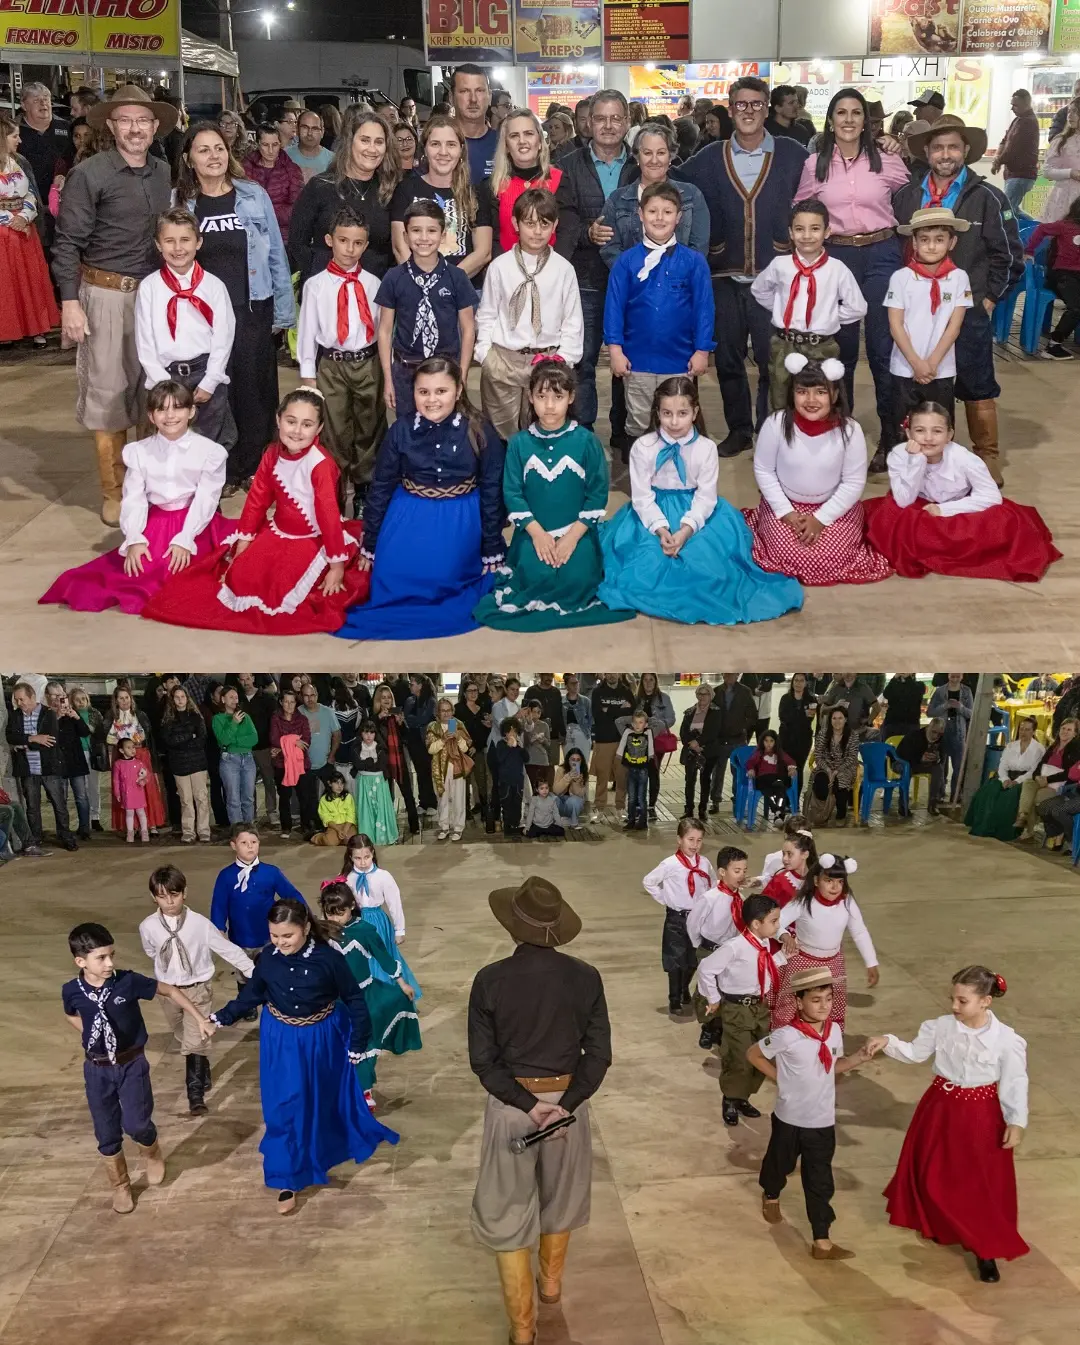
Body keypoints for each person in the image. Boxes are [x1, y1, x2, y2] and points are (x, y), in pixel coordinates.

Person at [468, 876, 610, 1344]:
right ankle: (550, 1286)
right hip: (568, 1109)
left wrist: (530, 1105)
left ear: (513, 926)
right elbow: (599, 1055)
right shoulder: (586, 977)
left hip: (513, 1108)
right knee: (560, 1199)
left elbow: (483, 1062)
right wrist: (564, 1106)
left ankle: (523, 1330)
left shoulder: (490, 980)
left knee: (508, 1213)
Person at [209, 897, 397, 1214]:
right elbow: (252, 994)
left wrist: (357, 1043)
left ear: (306, 928)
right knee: (284, 1105)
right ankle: (288, 1176)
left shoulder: (329, 959)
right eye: (274, 936)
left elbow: (355, 1000)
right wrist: (221, 1017)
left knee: (319, 1100)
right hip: (280, 1039)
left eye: (288, 936)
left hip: (322, 1037)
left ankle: (320, 1150)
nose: (280, 943)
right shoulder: (268, 959)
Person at [143, 389, 368, 634]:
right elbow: (257, 499)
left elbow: (328, 516)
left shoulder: (320, 465)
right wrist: (244, 541)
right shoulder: (272, 453)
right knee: (241, 577)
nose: (297, 431)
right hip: (278, 531)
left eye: (307, 425)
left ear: (319, 428)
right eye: (291, 421)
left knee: (278, 590)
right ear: (278, 420)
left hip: (313, 536)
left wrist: (336, 566)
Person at [53, 86, 174, 525]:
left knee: (153, 388)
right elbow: (67, 243)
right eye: (125, 120)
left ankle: (151, 483)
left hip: (156, 295)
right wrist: (70, 302)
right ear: (111, 126)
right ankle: (115, 492)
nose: (135, 128)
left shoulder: (163, 172)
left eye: (142, 120)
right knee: (108, 392)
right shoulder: (89, 174)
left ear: (154, 126)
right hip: (106, 294)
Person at [672, 75, 808, 458]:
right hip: (724, 274)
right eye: (741, 105)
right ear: (730, 110)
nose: (749, 111)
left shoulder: (792, 153)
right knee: (729, 357)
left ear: (767, 108)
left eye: (756, 104)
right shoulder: (708, 157)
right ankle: (739, 430)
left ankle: (769, 429)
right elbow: (672, 178)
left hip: (774, 274)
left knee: (771, 359)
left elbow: (824, 176)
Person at [867, 965, 1028, 1283]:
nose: (954, 1006)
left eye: (962, 1001)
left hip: (981, 1114)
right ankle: (942, 1225)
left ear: (985, 1001)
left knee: (980, 1182)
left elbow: (1015, 1082)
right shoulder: (940, 1027)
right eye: (953, 998)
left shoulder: (1006, 1040)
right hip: (939, 1108)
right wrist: (888, 1041)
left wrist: (1016, 1121)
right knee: (934, 1174)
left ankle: (985, 1250)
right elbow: (915, 1053)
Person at [893, 117, 1024, 485]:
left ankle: (986, 454)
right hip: (917, 313)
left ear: (966, 150)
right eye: (938, 148)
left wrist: (990, 298)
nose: (945, 154)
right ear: (927, 152)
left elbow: (1009, 254)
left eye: (953, 147)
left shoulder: (988, 197)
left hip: (967, 310)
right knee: (919, 382)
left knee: (976, 381)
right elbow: (896, 245)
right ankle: (918, 454)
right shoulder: (906, 195)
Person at [339, 356, 504, 639]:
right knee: (390, 577)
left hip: (459, 515)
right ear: (413, 392)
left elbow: (492, 490)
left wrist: (491, 544)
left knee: (440, 576)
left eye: (441, 391)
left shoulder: (479, 430)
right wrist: (371, 541)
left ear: (458, 391)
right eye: (423, 392)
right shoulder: (400, 430)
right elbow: (381, 486)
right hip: (408, 511)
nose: (432, 400)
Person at [40, 381, 230, 615]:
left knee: (177, 572)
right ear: (151, 416)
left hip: (196, 523)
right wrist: (134, 538)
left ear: (191, 411)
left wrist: (185, 538)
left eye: (178, 408)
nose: (170, 416)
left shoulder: (209, 452)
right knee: (143, 570)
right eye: (161, 409)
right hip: (158, 521)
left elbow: (206, 499)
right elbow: (134, 499)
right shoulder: (139, 451)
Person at [175, 121, 295, 492]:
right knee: (215, 393)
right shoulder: (181, 202)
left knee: (255, 389)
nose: (214, 156)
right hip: (204, 316)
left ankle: (256, 465)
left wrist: (283, 309)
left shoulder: (252, 194)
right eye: (203, 150)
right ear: (189, 159)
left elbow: (275, 252)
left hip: (252, 307)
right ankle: (222, 469)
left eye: (219, 148)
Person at [793, 88, 909, 464]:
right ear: (830, 120)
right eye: (841, 112)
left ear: (865, 121)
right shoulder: (815, 164)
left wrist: (901, 145)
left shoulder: (887, 159)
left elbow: (913, 196)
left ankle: (891, 436)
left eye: (856, 112)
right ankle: (841, 433)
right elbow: (802, 207)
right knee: (840, 350)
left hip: (881, 253)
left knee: (882, 347)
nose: (848, 119)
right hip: (837, 257)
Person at [63, 921, 213, 1213]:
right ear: (81, 962)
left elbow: (169, 990)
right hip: (97, 1069)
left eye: (111, 955)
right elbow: (70, 1014)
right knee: (106, 1132)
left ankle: (151, 1150)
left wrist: (199, 1018)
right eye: (101, 958)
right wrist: (90, 1034)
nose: (109, 963)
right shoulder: (72, 990)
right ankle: (120, 1184)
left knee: (137, 1124)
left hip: (131, 1064)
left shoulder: (127, 982)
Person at [477, 358, 633, 633]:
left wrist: (572, 538)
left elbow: (597, 495)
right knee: (534, 575)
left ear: (570, 398)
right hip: (534, 532)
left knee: (576, 579)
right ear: (530, 397)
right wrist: (538, 535)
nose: (549, 405)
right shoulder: (519, 443)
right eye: (542, 396)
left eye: (558, 397)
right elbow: (512, 493)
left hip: (577, 532)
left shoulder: (586, 442)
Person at [752, 967, 874, 1260]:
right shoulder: (786, 1036)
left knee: (820, 1180)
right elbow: (753, 1054)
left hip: (821, 1121)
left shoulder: (834, 1032)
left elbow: (833, 1066)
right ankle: (771, 1193)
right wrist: (779, 1078)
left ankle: (822, 1240)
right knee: (780, 1163)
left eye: (829, 999)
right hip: (790, 1118)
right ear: (799, 1002)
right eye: (816, 1000)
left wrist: (858, 1058)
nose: (824, 1006)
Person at [744, 354, 892, 585]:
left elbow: (853, 482)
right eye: (802, 391)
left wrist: (821, 519)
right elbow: (764, 470)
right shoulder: (776, 424)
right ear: (792, 394)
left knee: (832, 556)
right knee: (789, 554)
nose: (811, 400)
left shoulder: (850, 430)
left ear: (835, 395)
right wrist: (786, 512)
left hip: (834, 507)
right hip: (786, 505)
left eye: (821, 392)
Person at [553, 89, 639, 444]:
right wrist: (587, 233)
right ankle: (584, 432)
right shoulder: (567, 166)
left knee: (628, 360)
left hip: (633, 280)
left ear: (627, 122)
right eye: (600, 118)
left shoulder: (641, 164)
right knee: (583, 359)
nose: (608, 125)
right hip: (586, 278)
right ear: (588, 122)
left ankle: (625, 431)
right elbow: (561, 218)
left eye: (616, 118)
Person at [602, 182, 715, 438]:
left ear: (679, 217)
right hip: (637, 362)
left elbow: (704, 310)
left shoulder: (694, 262)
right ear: (640, 215)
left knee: (677, 422)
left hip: (680, 361)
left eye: (667, 212)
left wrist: (702, 350)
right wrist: (615, 350)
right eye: (652, 211)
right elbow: (614, 309)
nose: (660, 218)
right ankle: (639, 464)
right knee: (639, 423)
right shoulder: (626, 262)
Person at [140, 865, 254, 1114]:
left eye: (174, 895)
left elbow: (227, 949)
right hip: (167, 991)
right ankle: (202, 1064)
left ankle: (195, 1094)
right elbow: (151, 951)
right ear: (154, 897)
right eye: (162, 896)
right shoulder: (148, 926)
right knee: (183, 1035)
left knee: (194, 1040)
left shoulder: (199, 924)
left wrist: (254, 972)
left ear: (185, 893)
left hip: (197, 990)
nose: (170, 902)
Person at [475, 188, 583, 443]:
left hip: (547, 361)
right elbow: (487, 313)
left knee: (541, 433)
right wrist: (485, 354)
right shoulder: (500, 267)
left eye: (544, 224)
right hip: (504, 360)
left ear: (555, 225)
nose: (537, 231)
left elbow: (572, 321)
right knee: (499, 436)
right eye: (530, 223)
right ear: (515, 223)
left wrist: (564, 360)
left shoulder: (564, 270)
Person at [297, 205, 385, 517]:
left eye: (358, 243)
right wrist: (308, 375)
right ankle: (333, 492)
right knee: (334, 429)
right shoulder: (315, 285)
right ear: (329, 240)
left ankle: (363, 490)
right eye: (343, 241)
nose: (350, 249)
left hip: (368, 363)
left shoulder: (373, 284)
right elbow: (307, 331)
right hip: (331, 366)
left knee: (369, 427)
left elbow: (382, 330)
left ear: (366, 245)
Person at [133, 210, 237, 449]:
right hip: (166, 376)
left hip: (205, 376)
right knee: (167, 446)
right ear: (158, 245)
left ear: (198, 242)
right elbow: (144, 341)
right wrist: (163, 385)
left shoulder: (214, 286)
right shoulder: (149, 287)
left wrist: (211, 380)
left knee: (210, 444)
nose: (178, 248)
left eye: (185, 240)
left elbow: (224, 337)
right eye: (169, 241)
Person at [750, 199, 866, 411]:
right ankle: (783, 431)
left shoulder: (837, 269)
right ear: (790, 233)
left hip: (822, 346)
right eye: (799, 229)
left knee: (822, 400)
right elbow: (759, 290)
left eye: (814, 229)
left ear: (827, 232)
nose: (806, 235)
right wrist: (782, 309)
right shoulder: (780, 265)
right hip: (784, 344)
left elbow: (857, 307)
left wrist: (829, 317)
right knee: (781, 400)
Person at [319, 881, 420, 1111]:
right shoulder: (322, 932)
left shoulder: (364, 930)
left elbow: (384, 958)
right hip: (334, 1000)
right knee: (338, 1045)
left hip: (364, 998)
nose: (335, 919)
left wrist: (402, 983)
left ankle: (365, 1090)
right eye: (330, 913)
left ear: (352, 907)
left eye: (340, 913)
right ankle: (342, 1087)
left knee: (365, 1044)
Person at [377, 199, 480, 420]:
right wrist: (388, 379)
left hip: (446, 370)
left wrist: (462, 375)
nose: (424, 238)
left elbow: (468, 329)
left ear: (443, 236)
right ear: (405, 236)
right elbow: (384, 331)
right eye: (416, 230)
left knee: (446, 427)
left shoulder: (457, 277)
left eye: (431, 231)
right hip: (406, 370)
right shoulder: (393, 278)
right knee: (409, 427)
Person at [698, 893, 786, 1127]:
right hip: (738, 1009)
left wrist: (784, 956)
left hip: (761, 1008)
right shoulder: (734, 947)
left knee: (762, 1054)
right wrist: (713, 997)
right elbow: (706, 968)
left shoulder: (765, 945)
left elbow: (766, 967)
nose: (778, 925)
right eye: (774, 921)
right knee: (739, 1057)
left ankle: (742, 1097)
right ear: (756, 924)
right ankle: (730, 1098)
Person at [289, 108, 403, 285]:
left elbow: (397, 249)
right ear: (350, 142)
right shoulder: (320, 186)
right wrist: (317, 275)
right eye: (365, 140)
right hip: (326, 291)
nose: (372, 149)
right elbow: (297, 242)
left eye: (379, 142)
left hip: (377, 293)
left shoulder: (390, 190)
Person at [885, 207, 973, 427]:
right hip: (905, 367)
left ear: (952, 242)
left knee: (939, 426)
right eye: (924, 239)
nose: (931, 246)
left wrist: (932, 363)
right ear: (914, 243)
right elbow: (895, 324)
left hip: (941, 369)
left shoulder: (959, 278)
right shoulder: (901, 278)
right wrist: (916, 363)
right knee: (903, 428)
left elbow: (954, 326)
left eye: (939, 239)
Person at [775, 854, 879, 1029]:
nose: (835, 887)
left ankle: (831, 1043)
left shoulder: (847, 902)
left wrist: (871, 962)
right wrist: (784, 936)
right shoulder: (804, 901)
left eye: (840, 881)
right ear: (816, 880)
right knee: (793, 1006)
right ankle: (786, 1041)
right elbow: (776, 923)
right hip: (803, 963)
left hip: (834, 964)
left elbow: (859, 932)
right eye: (829, 880)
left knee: (832, 1007)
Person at [390, 114, 493, 282]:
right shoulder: (405, 189)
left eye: (451, 144)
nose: (443, 152)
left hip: (463, 290)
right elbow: (400, 248)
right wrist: (422, 282)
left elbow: (483, 253)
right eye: (435, 144)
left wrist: (442, 282)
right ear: (425, 149)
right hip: (415, 288)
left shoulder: (475, 193)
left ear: (461, 150)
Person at [598, 121, 710, 272]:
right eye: (647, 153)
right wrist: (640, 275)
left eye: (661, 153)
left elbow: (699, 248)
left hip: (681, 283)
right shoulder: (617, 200)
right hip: (633, 283)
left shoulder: (692, 195)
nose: (654, 160)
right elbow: (610, 250)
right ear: (637, 157)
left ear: (671, 156)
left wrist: (669, 277)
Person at [210, 822, 306, 984]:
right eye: (244, 843)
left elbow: (292, 895)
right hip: (240, 941)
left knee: (272, 980)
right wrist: (219, 931)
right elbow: (219, 906)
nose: (250, 846)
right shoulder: (226, 876)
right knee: (245, 983)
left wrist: (304, 917)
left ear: (259, 844)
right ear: (233, 845)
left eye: (254, 842)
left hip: (269, 939)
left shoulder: (271, 872)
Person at [643, 818, 717, 1016]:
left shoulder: (704, 863)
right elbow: (649, 881)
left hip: (699, 919)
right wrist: (665, 899)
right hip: (676, 919)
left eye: (699, 840)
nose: (695, 845)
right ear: (679, 839)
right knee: (675, 960)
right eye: (690, 839)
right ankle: (674, 998)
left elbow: (713, 884)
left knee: (693, 958)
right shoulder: (670, 864)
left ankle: (684, 988)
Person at [0, 112, 59, 346]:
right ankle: (7, 330)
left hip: (24, 230)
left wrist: (24, 216)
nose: (20, 140)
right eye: (15, 136)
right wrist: (9, 219)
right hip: (4, 232)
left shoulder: (20, 161)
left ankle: (36, 327)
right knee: (7, 284)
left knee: (31, 281)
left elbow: (31, 192)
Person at [338, 834, 421, 996]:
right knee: (360, 957)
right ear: (350, 857)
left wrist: (399, 930)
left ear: (373, 854)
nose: (363, 862)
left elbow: (394, 903)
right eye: (358, 858)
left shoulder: (383, 876)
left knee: (381, 955)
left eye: (367, 857)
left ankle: (389, 995)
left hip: (377, 922)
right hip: (355, 922)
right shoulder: (347, 878)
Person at [6, 681, 77, 850]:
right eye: (16, 700)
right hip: (28, 768)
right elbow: (10, 737)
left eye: (22, 699)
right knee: (32, 807)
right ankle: (35, 839)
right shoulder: (15, 715)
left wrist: (23, 743)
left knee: (59, 804)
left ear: (32, 696)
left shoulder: (48, 714)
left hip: (49, 767)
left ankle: (66, 836)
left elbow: (50, 741)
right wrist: (33, 738)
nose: (19, 703)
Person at [488, 108, 563, 257]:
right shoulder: (493, 185)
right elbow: (492, 239)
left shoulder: (561, 180)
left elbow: (566, 233)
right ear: (506, 146)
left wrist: (550, 266)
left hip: (551, 266)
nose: (522, 141)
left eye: (528, 134)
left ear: (540, 141)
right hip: (506, 267)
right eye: (514, 136)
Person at [965, 715, 1043, 842]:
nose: (1023, 732)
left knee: (1009, 797)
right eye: (1021, 729)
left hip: (1024, 780)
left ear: (1033, 731)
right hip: (1006, 777)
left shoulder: (1039, 749)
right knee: (989, 792)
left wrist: (1016, 781)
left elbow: (1033, 771)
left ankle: (1004, 831)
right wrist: (1005, 779)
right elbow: (1002, 765)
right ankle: (983, 826)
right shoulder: (1011, 746)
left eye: (1027, 729)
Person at [1028, 198, 1080, 360]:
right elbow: (1041, 229)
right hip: (1063, 275)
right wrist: (1029, 251)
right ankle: (1053, 346)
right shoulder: (1065, 226)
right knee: (1076, 308)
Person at [159, 685, 211, 843]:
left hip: (197, 763)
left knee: (201, 798)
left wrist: (182, 741)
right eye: (177, 697)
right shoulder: (168, 720)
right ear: (172, 700)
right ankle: (188, 831)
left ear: (187, 698)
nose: (180, 700)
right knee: (186, 800)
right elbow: (170, 741)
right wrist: (189, 736)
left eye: (183, 696)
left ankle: (203, 830)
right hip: (179, 765)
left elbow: (201, 739)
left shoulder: (196, 717)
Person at [1018, 717, 1080, 842]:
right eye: (1063, 728)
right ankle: (1023, 815)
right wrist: (1037, 776)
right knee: (1028, 783)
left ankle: (1029, 829)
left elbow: (1068, 774)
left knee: (1034, 798)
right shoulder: (1054, 746)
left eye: (1069, 730)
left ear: (1075, 734)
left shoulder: (1075, 749)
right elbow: (1040, 764)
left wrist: (1048, 779)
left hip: (1058, 785)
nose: (1065, 731)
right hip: (1043, 779)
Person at [270, 689, 319, 839]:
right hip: (282, 764)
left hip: (300, 763)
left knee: (304, 796)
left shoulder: (302, 719)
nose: (289, 705)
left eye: (292, 702)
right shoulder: (275, 718)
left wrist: (284, 744)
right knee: (284, 797)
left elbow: (306, 742)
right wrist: (294, 741)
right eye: (286, 701)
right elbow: (274, 739)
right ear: (281, 702)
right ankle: (286, 827)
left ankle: (306, 825)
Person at [242, 123, 304, 241]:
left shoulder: (292, 169)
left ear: (280, 144)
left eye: (275, 145)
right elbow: (242, 202)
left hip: (283, 235)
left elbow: (298, 206)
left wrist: (268, 215)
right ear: (258, 144)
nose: (270, 150)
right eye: (265, 145)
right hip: (253, 233)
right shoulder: (246, 168)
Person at [426, 696, 474, 842]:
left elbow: (465, 748)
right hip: (439, 769)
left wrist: (458, 738)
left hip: (457, 767)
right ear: (438, 712)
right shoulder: (433, 727)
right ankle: (444, 827)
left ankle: (458, 828)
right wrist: (443, 739)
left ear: (452, 711)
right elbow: (431, 749)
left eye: (448, 710)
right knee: (442, 799)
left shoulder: (458, 724)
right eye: (443, 711)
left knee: (459, 799)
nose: (446, 713)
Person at [212, 684, 258, 825]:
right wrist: (233, 723)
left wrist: (235, 741)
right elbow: (223, 741)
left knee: (248, 798)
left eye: (236, 697)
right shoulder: (218, 719)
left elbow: (254, 739)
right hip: (229, 760)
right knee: (233, 799)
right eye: (231, 697)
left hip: (248, 759)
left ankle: (249, 829)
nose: (234, 700)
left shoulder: (246, 717)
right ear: (223, 699)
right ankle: (237, 831)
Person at [991, 89, 1040, 215]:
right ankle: (1036, 225)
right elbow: (1004, 141)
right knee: (1013, 210)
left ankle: (1008, 227)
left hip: (1021, 175)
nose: (1012, 108)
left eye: (1015, 105)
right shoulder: (1018, 120)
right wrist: (997, 157)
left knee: (1006, 211)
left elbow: (1013, 149)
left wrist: (998, 161)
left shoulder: (1028, 122)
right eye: (1012, 105)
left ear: (1026, 104)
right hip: (1015, 175)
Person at [351, 718, 399, 845]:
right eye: (366, 732)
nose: (368, 736)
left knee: (381, 807)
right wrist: (371, 762)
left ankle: (383, 837)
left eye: (371, 732)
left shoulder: (380, 747)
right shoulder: (356, 748)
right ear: (361, 733)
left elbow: (381, 765)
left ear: (375, 734)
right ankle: (368, 837)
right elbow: (358, 765)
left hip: (379, 782)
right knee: (366, 810)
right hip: (364, 782)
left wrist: (366, 764)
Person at [449, 65, 499, 184]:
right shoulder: (437, 145)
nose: (473, 99)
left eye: (479, 91)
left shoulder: (503, 143)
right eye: (464, 91)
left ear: (490, 96)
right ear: (451, 97)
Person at [809, 706, 860, 824]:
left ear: (845, 719)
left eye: (840, 718)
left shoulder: (853, 735)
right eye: (834, 718)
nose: (837, 721)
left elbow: (852, 757)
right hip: (825, 766)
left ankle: (841, 813)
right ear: (830, 720)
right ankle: (823, 811)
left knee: (840, 780)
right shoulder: (822, 734)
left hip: (845, 767)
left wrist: (837, 771)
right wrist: (827, 769)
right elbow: (818, 755)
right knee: (820, 781)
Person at [677, 684, 720, 820]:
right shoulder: (689, 712)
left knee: (705, 780)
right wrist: (691, 744)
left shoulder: (716, 712)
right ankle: (689, 809)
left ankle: (702, 809)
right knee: (689, 780)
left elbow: (713, 732)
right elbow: (683, 732)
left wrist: (699, 743)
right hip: (691, 751)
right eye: (700, 694)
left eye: (705, 694)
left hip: (708, 751)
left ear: (711, 696)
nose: (702, 697)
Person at [1040, 97, 1080, 227]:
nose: (1070, 115)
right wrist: (1070, 173)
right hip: (1064, 200)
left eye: (1075, 112)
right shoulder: (1061, 141)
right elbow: (1047, 171)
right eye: (1069, 111)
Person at [897, 718, 948, 814]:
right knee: (907, 770)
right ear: (928, 727)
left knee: (938, 769)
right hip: (902, 762)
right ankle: (903, 806)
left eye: (939, 734)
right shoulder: (914, 736)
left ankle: (933, 804)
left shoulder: (941, 739)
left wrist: (937, 758)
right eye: (934, 732)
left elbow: (942, 757)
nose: (936, 736)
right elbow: (903, 755)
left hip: (919, 764)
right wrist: (920, 758)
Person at [745, 730, 798, 821]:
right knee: (775, 786)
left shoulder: (779, 753)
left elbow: (790, 761)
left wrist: (791, 768)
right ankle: (780, 813)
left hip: (775, 780)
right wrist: (751, 770)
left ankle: (778, 813)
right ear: (762, 742)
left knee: (779, 791)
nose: (768, 744)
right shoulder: (759, 753)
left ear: (775, 742)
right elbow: (750, 763)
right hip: (763, 780)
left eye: (771, 741)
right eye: (766, 741)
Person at [778, 673, 817, 793]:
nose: (798, 683)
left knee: (798, 769)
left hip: (803, 740)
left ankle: (795, 798)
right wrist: (801, 715)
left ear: (805, 683)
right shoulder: (785, 699)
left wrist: (798, 717)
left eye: (801, 680)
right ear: (792, 682)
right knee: (786, 768)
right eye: (796, 680)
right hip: (786, 739)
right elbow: (784, 717)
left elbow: (809, 719)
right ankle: (785, 798)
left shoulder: (811, 699)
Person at [616, 709, 652, 832]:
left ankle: (643, 821)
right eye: (635, 722)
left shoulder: (648, 733)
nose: (637, 725)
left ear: (645, 724)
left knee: (641, 797)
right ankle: (631, 820)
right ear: (632, 723)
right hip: (631, 769)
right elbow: (622, 743)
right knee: (631, 797)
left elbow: (651, 747)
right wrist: (619, 754)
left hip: (643, 770)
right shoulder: (628, 732)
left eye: (641, 722)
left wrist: (651, 757)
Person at [286, 109, 334, 183]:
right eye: (305, 127)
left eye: (315, 128)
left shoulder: (333, 161)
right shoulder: (284, 156)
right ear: (297, 130)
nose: (309, 133)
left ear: (322, 132)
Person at [310, 770, 357, 846]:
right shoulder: (324, 799)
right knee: (330, 842)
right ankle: (318, 837)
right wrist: (338, 830)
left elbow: (351, 815)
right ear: (329, 783)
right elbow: (326, 818)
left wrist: (345, 830)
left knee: (351, 840)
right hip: (334, 826)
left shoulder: (348, 797)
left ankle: (340, 839)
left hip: (347, 825)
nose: (340, 786)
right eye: (336, 783)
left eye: (342, 783)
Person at [880, 672, 926, 743]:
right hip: (892, 723)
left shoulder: (920, 685)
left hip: (911, 724)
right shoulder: (895, 684)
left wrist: (908, 678)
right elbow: (886, 694)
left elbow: (915, 692)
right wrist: (894, 678)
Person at [553, 748, 588, 828]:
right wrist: (567, 777)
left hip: (573, 805)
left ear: (581, 761)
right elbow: (556, 791)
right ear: (568, 760)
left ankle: (573, 821)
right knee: (552, 799)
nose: (575, 762)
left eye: (578, 760)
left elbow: (580, 794)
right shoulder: (561, 770)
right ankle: (558, 819)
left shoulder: (583, 772)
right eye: (573, 759)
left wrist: (575, 782)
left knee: (574, 800)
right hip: (561, 802)